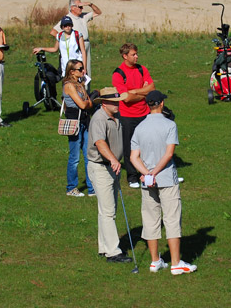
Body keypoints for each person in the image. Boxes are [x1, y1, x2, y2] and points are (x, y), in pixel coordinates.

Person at [129, 91, 196, 275]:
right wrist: (154, 172)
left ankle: (154, 261)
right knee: (172, 218)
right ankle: (175, 263)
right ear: (161, 103)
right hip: (166, 178)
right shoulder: (169, 125)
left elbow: (133, 157)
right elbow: (169, 153)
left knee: (150, 219)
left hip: (147, 181)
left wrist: (146, 174)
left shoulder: (140, 127)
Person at [87, 87, 133, 263]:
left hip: (112, 168)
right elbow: (99, 142)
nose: (117, 104)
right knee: (108, 211)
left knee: (105, 210)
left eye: (118, 101)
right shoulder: (99, 118)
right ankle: (113, 252)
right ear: (104, 103)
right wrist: (113, 159)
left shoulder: (116, 116)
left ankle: (104, 247)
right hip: (101, 168)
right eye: (114, 102)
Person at [112, 43, 154, 188]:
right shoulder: (118, 74)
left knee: (147, 144)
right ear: (125, 56)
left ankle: (148, 173)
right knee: (129, 146)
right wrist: (143, 91)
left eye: (136, 54)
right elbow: (126, 98)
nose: (136, 56)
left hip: (145, 113)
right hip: (127, 115)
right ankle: (132, 176)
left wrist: (134, 91)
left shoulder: (142, 69)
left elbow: (152, 88)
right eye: (133, 54)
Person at [61, 59, 95, 197]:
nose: (83, 71)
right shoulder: (69, 85)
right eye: (80, 69)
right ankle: (71, 188)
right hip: (75, 123)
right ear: (72, 72)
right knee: (74, 157)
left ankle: (91, 188)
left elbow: (89, 103)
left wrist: (87, 102)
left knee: (89, 156)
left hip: (84, 122)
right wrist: (87, 103)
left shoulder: (80, 84)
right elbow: (83, 104)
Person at [51, 0, 101, 76]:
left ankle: (86, 83)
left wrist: (90, 4)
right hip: (77, 45)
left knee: (87, 68)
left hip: (86, 43)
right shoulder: (67, 19)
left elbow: (98, 12)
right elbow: (53, 32)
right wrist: (68, 40)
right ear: (72, 8)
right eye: (80, 6)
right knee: (78, 69)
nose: (82, 8)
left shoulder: (83, 16)